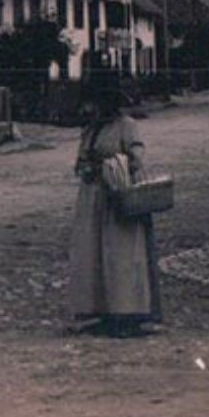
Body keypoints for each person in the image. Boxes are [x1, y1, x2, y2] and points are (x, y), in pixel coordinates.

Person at [67, 66, 162, 336]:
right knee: (93, 253)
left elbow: (136, 157)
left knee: (121, 254)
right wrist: (85, 166)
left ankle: (127, 312)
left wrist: (115, 165)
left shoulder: (127, 127)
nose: (96, 108)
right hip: (93, 200)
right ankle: (100, 309)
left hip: (118, 198)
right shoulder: (91, 130)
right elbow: (80, 161)